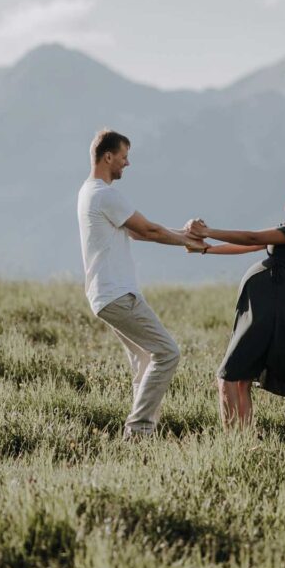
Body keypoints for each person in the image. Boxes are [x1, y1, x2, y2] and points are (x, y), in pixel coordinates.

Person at [77, 129, 207, 439]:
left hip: (104, 295)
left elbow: (137, 231)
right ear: (108, 157)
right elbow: (147, 230)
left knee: (145, 359)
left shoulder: (89, 192)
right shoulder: (104, 194)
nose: (127, 163)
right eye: (123, 157)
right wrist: (191, 243)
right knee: (167, 353)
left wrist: (184, 236)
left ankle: (140, 439)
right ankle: (139, 431)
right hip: (118, 294)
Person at [185, 170, 285, 429]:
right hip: (259, 308)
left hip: (270, 310)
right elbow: (252, 246)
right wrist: (206, 248)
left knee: (228, 377)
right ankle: (242, 441)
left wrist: (208, 231)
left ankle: (234, 442)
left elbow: (253, 237)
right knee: (241, 380)